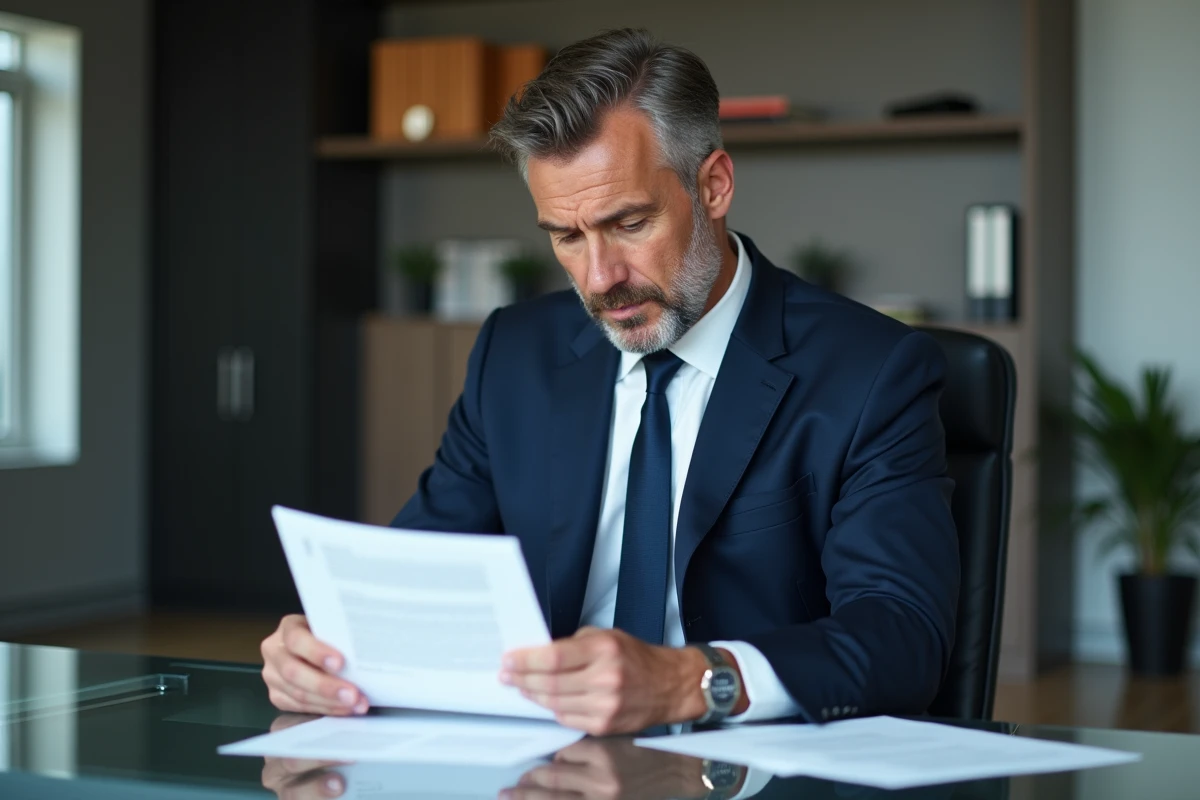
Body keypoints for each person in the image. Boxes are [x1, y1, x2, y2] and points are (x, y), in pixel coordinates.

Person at [261, 27, 960, 736]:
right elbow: (419, 581)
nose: (600, 279)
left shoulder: (870, 371)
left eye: (629, 223)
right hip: (540, 759)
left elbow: (901, 632)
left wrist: (695, 681)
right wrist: (329, 649)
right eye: (566, 236)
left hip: (747, 761)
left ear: (712, 185)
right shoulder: (514, 354)